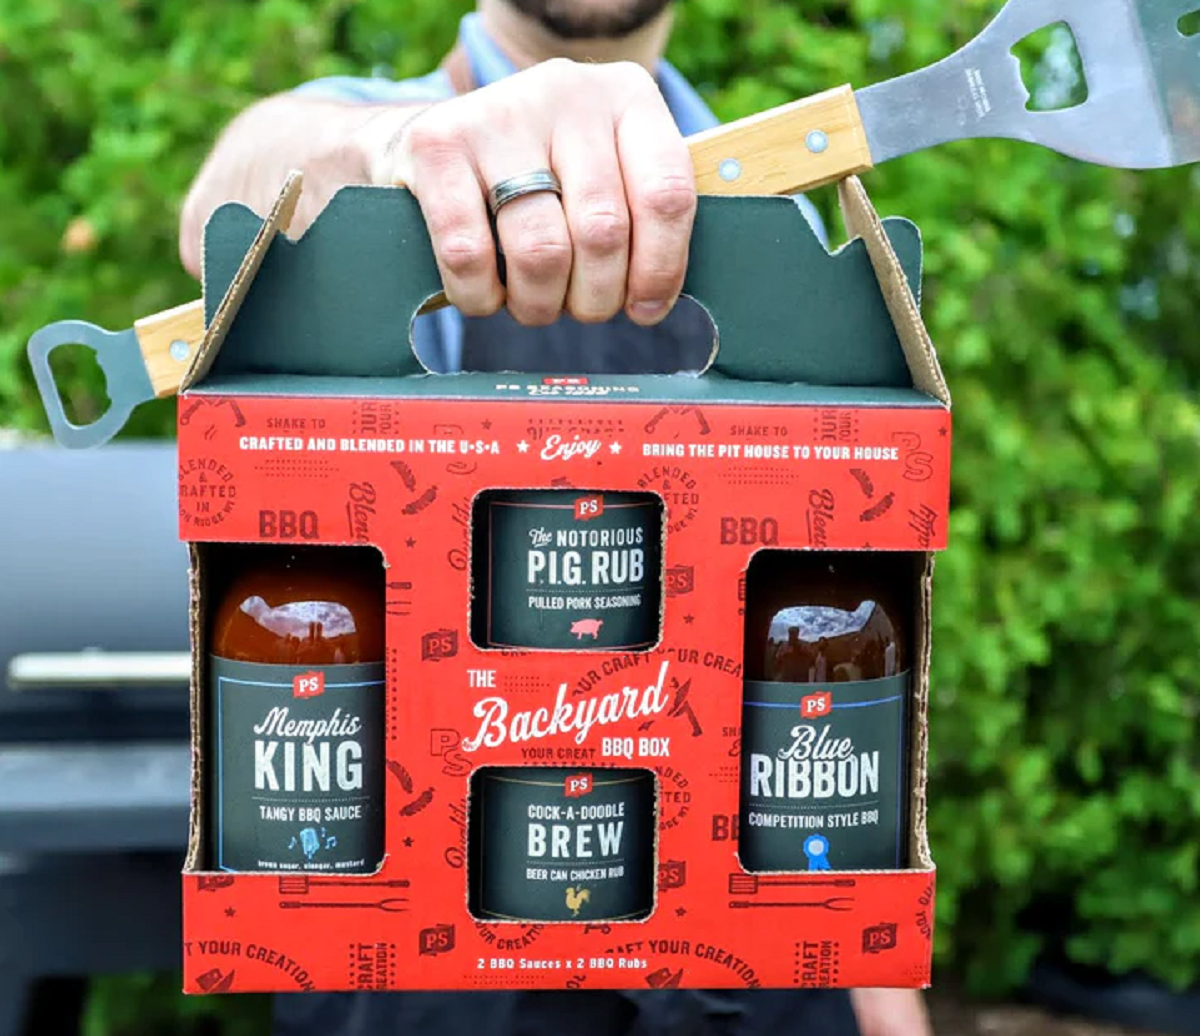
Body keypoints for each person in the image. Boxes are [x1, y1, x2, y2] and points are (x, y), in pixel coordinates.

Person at [179, 2, 935, 1034]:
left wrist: (881, 991)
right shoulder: (362, 129)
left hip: (734, 957)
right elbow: (228, 193)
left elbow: (835, 664)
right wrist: (401, 148)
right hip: (421, 961)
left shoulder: (777, 218)